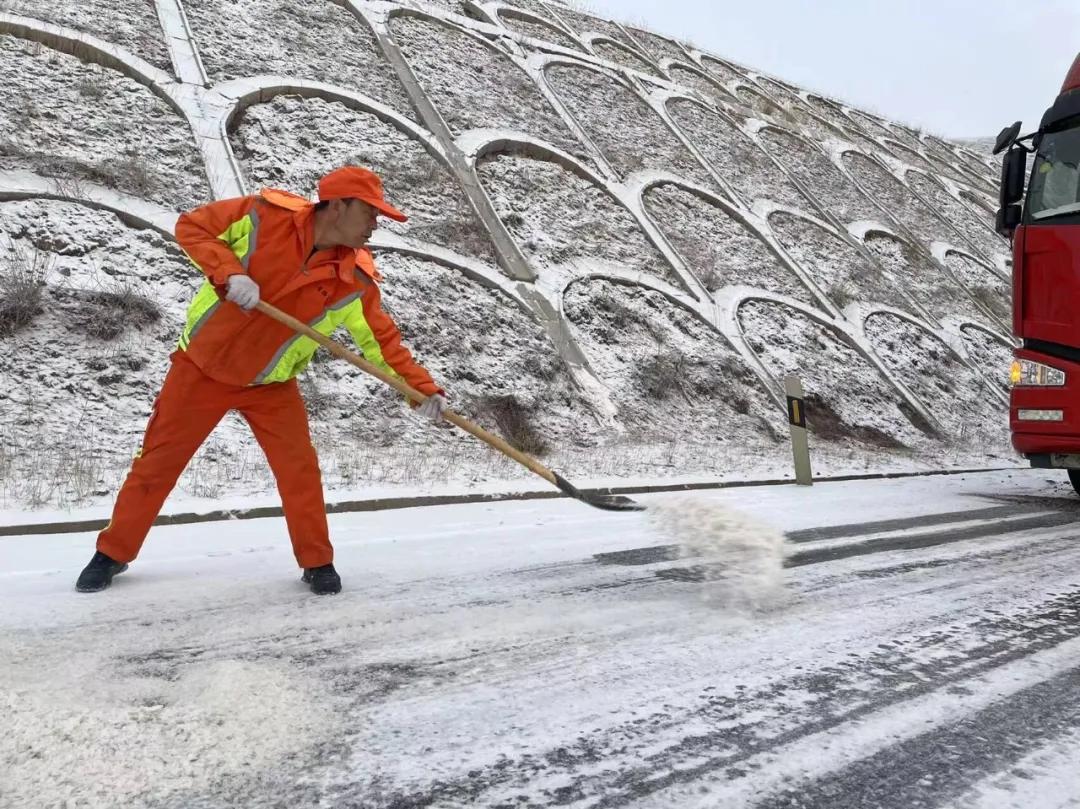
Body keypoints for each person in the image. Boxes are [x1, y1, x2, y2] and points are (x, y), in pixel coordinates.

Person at [75, 166, 447, 595]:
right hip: (200, 371)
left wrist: (421, 389)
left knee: (299, 473)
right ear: (339, 204)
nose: (375, 226)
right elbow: (193, 226)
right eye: (370, 213)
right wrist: (229, 272)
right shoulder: (262, 216)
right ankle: (112, 553)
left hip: (271, 386)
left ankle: (317, 562)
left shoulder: (354, 281)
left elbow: (383, 343)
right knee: (156, 465)